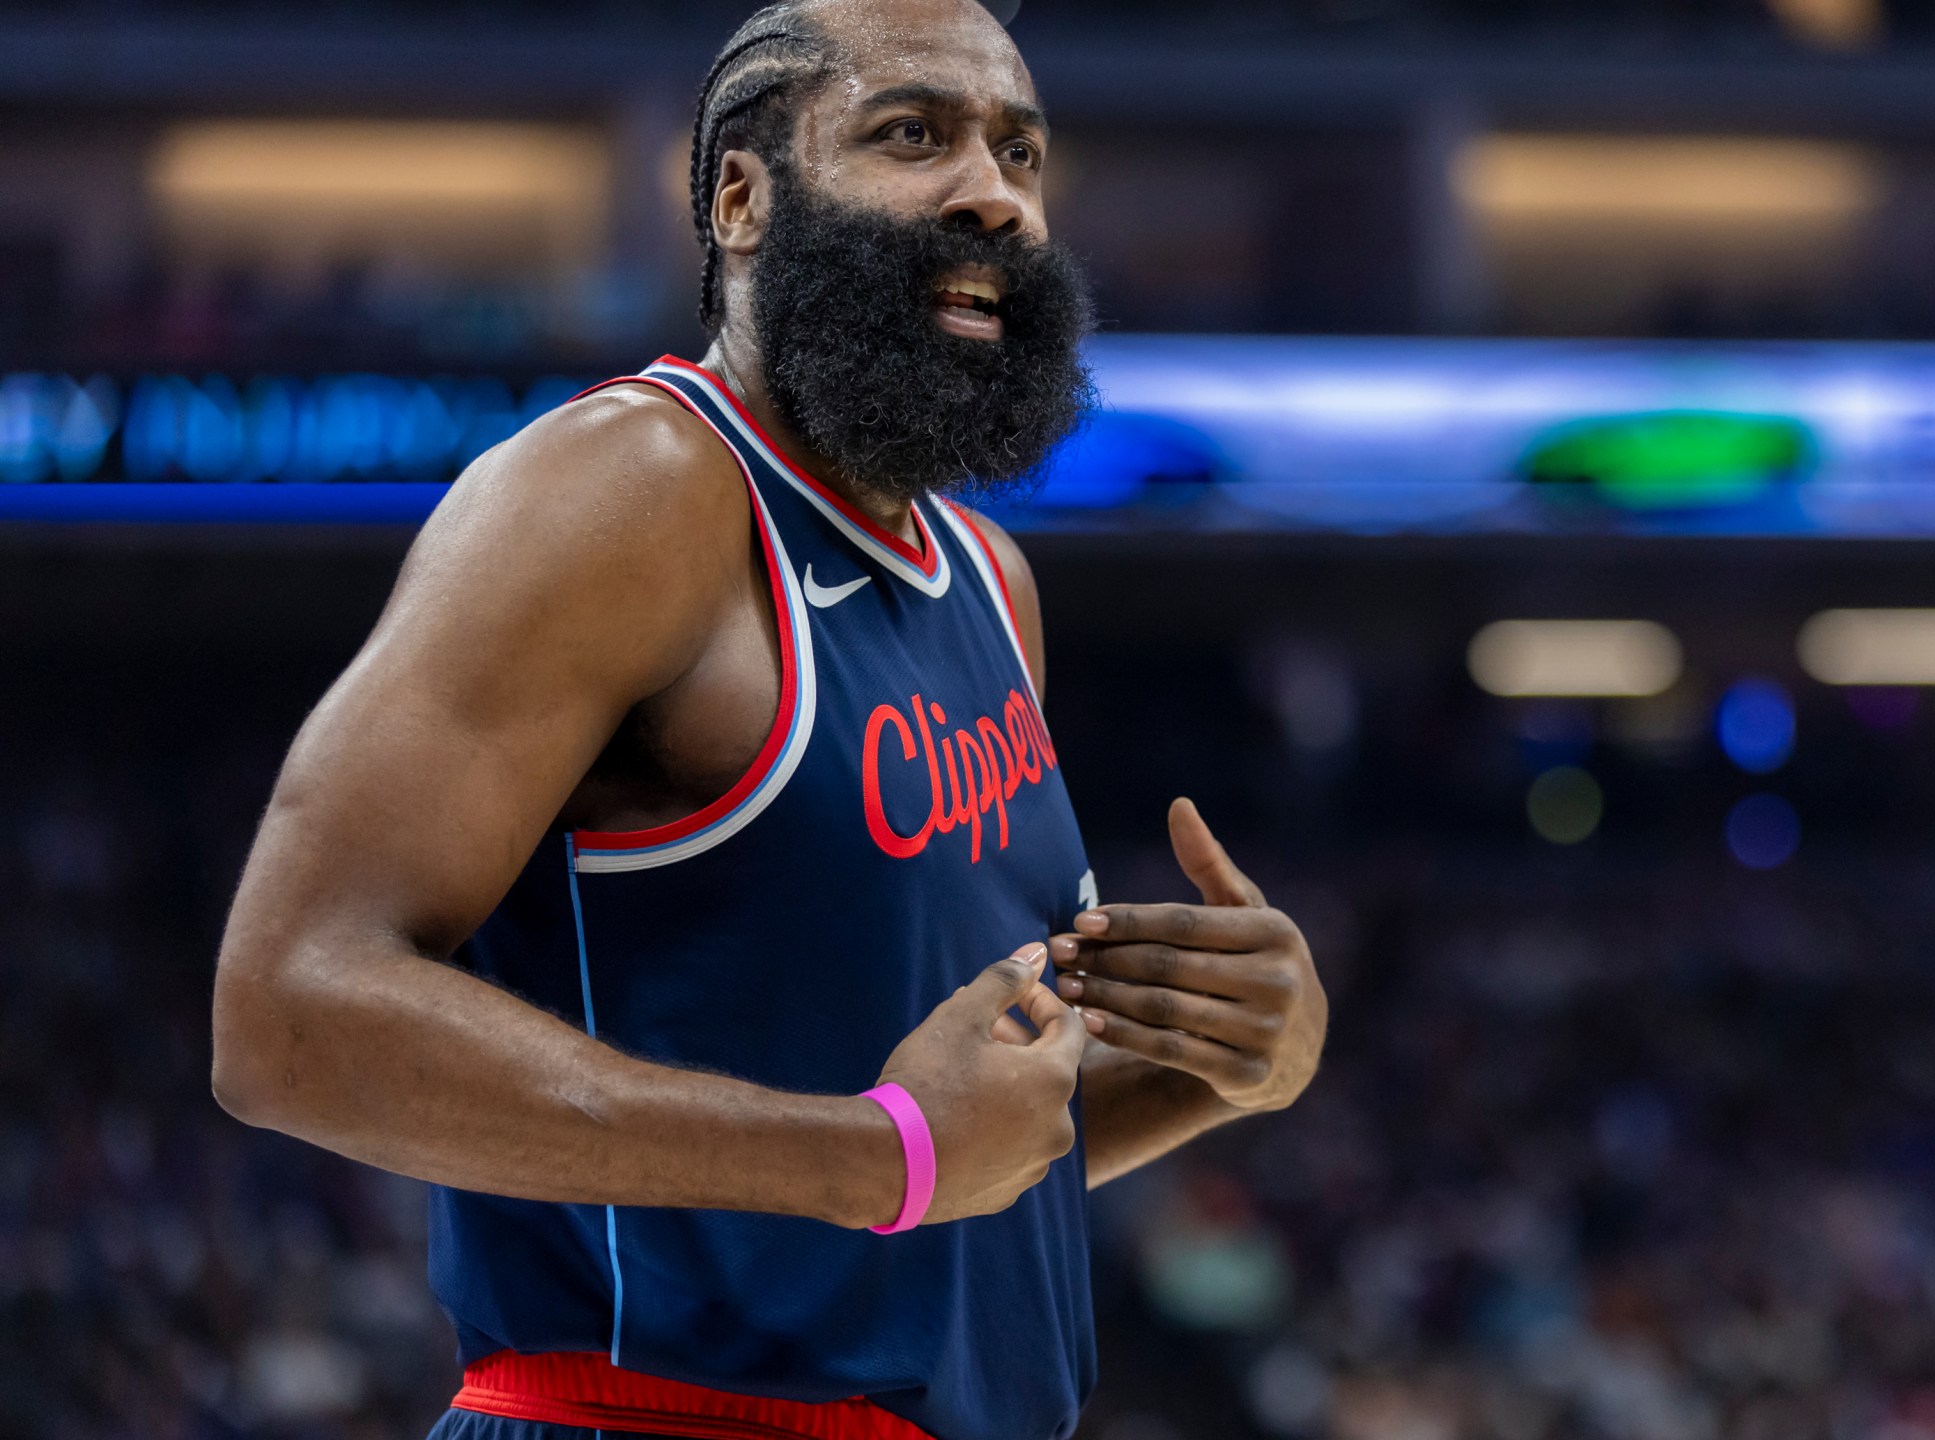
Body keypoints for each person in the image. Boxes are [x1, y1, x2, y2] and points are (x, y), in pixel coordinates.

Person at [207, 3, 1329, 1438]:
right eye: (912, 134)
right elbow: (286, 1016)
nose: (994, 191)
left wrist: (1218, 1073)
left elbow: (953, 1171)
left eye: (1022, 152)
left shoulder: (990, 582)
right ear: (740, 198)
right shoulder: (632, 488)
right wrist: (876, 1157)